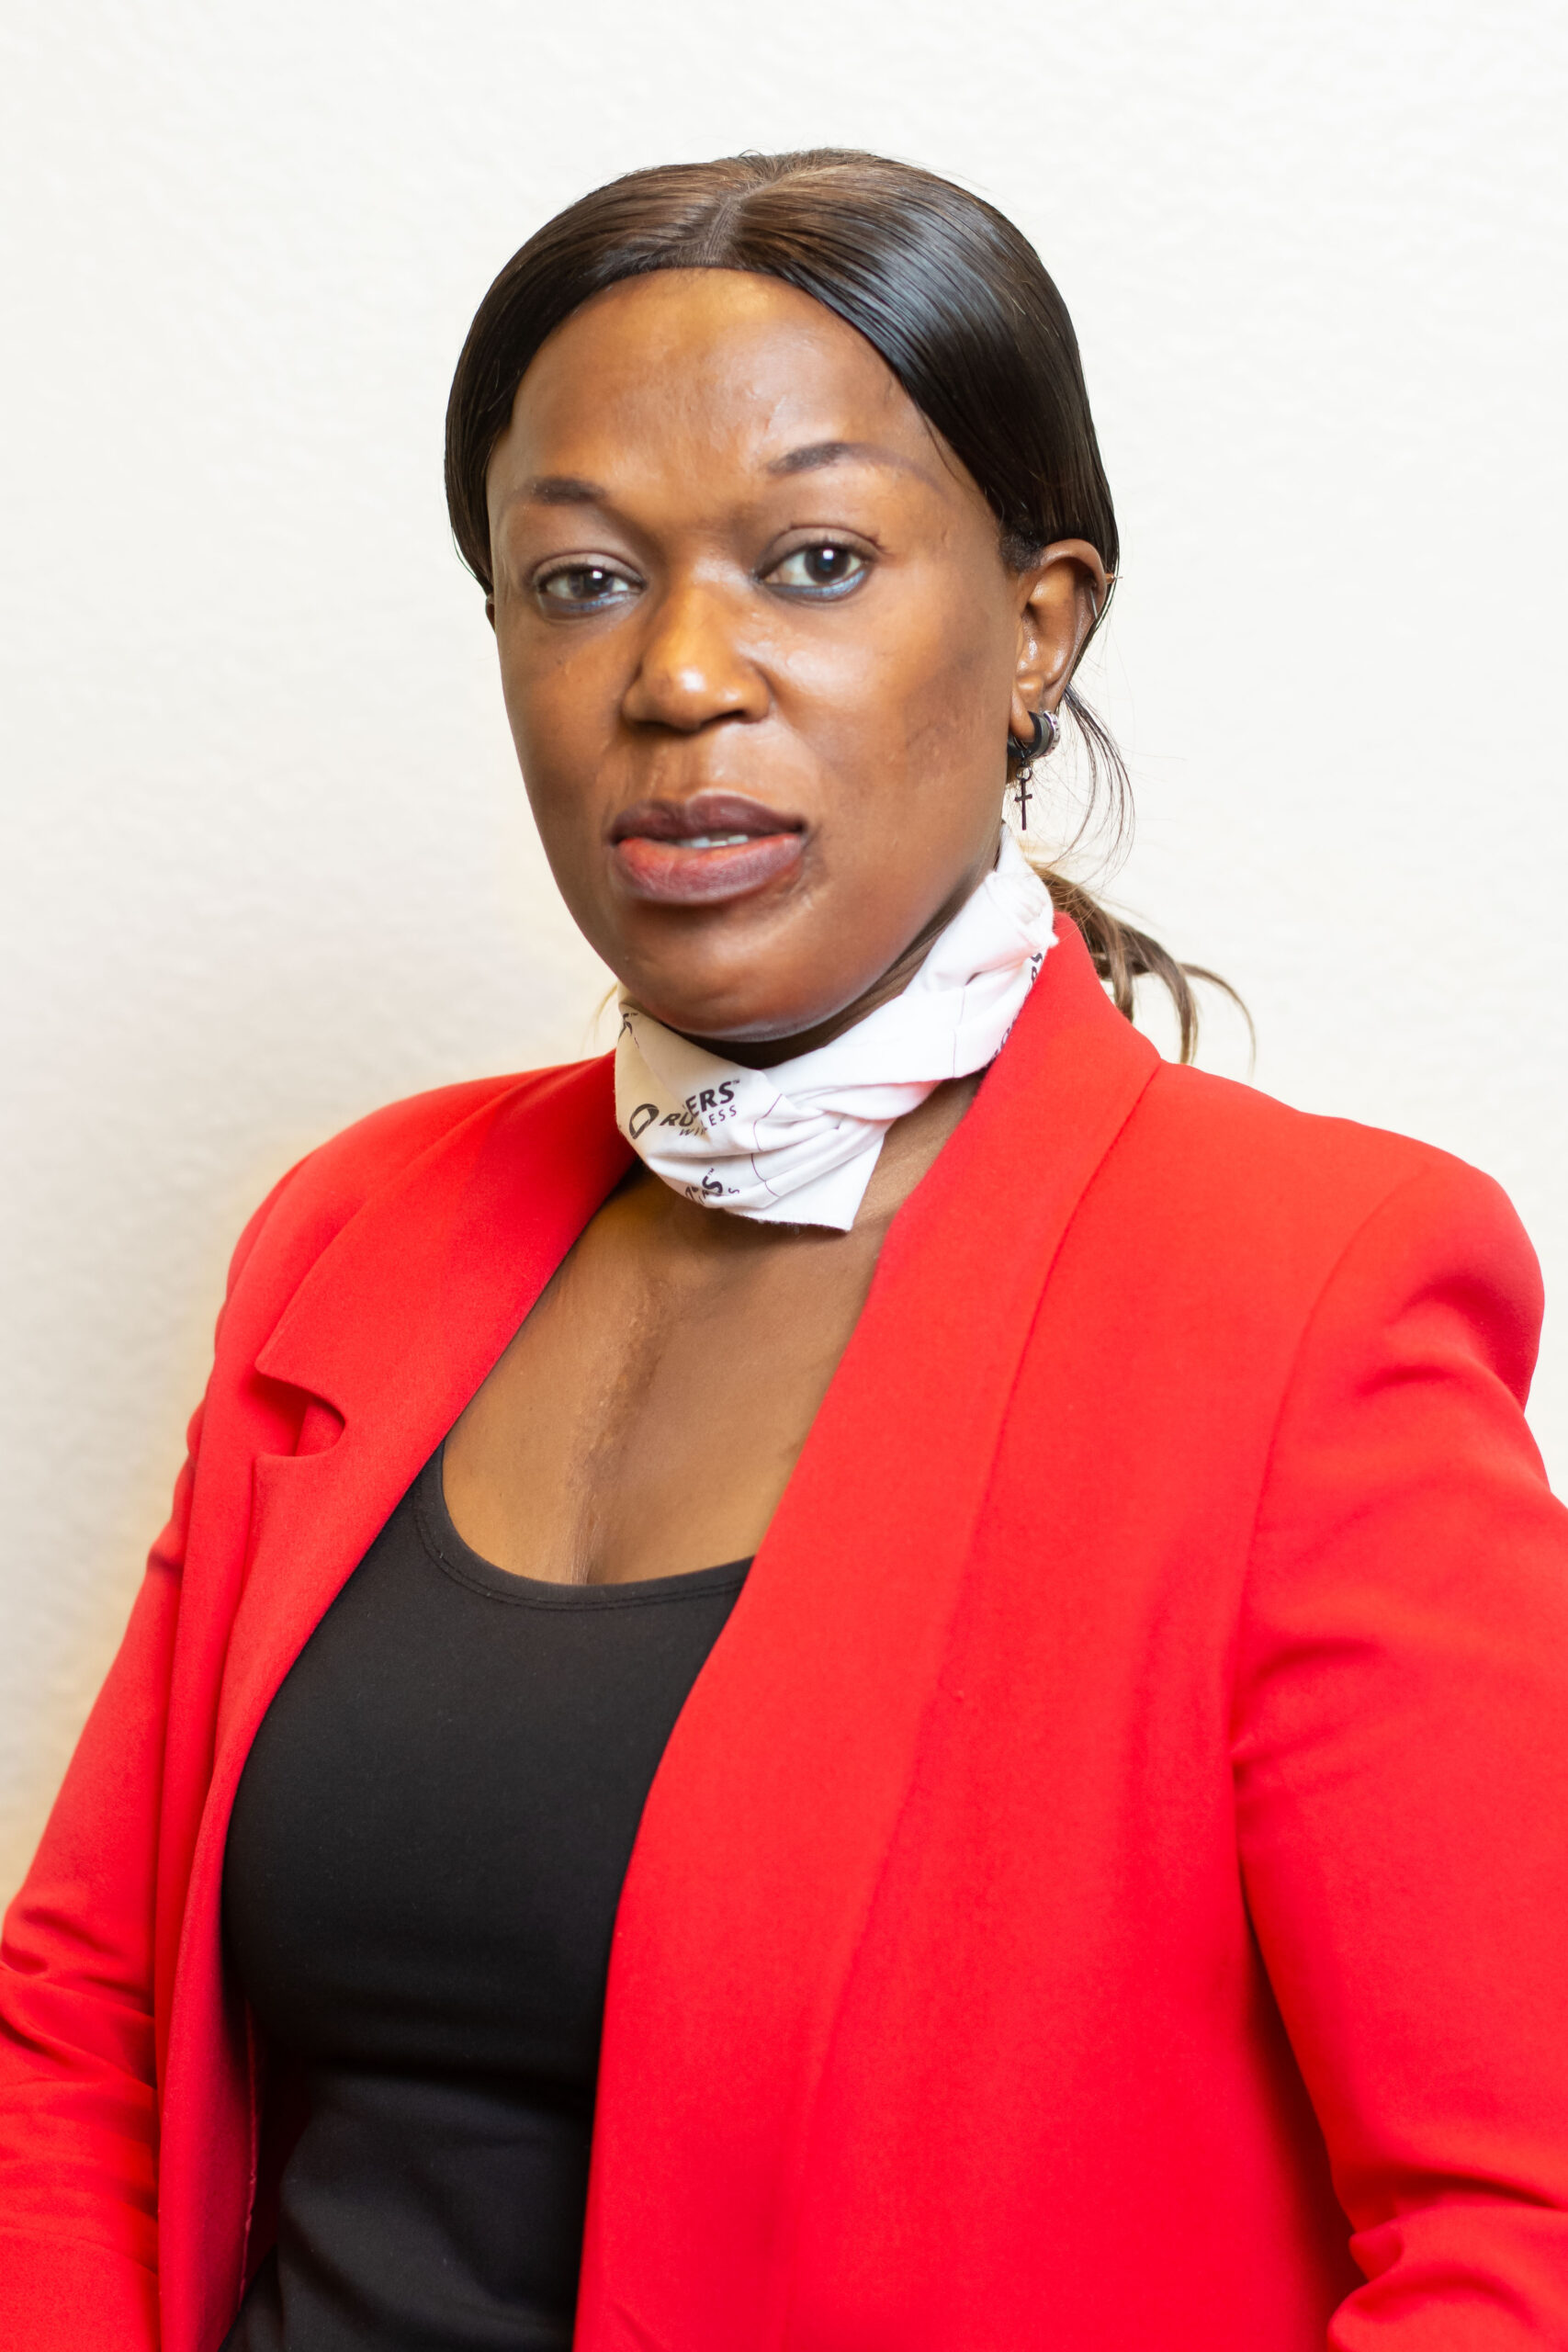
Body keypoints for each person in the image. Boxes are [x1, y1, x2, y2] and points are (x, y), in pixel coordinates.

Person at [1, 148, 1564, 2352]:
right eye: (576, 579)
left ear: (1035, 626)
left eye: (813, 561)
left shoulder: (1307, 1296)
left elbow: (1521, 2229)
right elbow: (81, 2032)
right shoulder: (355, 1228)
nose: (676, 673)